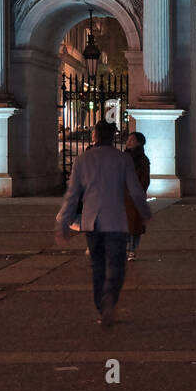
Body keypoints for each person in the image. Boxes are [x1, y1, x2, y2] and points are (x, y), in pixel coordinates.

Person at [55, 120, 150, 327]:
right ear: (113, 136)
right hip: (117, 220)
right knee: (116, 264)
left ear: (95, 136)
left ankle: (101, 306)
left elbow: (72, 195)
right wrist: (144, 212)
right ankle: (110, 299)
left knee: (97, 265)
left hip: (92, 222)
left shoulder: (83, 160)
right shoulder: (123, 159)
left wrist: (64, 222)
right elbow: (135, 190)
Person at [125, 131, 151, 260]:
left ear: (139, 142)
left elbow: (145, 180)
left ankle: (132, 249)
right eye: (128, 139)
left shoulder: (142, 159)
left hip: (134, 196)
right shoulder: (123, 157)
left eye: (132, 140)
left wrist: (138, 193)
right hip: (123, 195)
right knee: (124, 223)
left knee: (134, 224)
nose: (128, 142)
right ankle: (126, 247)